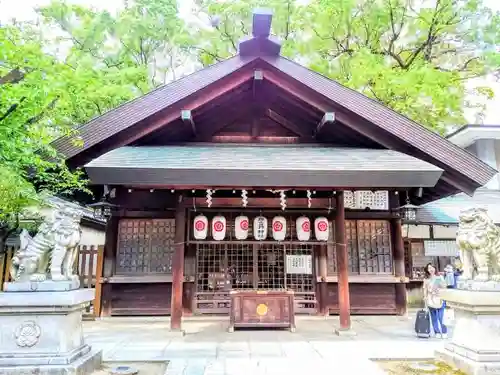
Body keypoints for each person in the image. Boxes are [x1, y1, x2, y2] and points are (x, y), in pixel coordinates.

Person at [423, 263, 448, 338]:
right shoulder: (426, 279)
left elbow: (444, 287)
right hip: (431, 299)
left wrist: (440, 282)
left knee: (441, 317)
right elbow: (425, 290)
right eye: (429, 268)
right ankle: (436, 332)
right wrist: (425, 298)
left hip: (440, 298)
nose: (431, 269)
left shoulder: (439, 277)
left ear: (435, 268)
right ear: (427, 270)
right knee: (434, 317)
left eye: (432, 267)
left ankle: (444, 332)